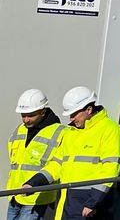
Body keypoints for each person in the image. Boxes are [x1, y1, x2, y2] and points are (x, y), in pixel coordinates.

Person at [22, 87, 120, 220]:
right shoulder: (71, 132)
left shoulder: (110, 130)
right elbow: (57, 164)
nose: (71, 118)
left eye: (74, 113)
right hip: (68, 198)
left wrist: (94, 202)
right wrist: (34, 183)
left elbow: (110, 169)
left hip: (91, 200)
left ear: (89, 110)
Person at [6, 89, 67, 220]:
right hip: (15, 194)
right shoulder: (21, 128)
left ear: (43, 112)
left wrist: (34, 183)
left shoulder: (59, 132)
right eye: (23, 115)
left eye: (30, 115)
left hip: (37, 197)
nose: (26, 120)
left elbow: (57, 165)